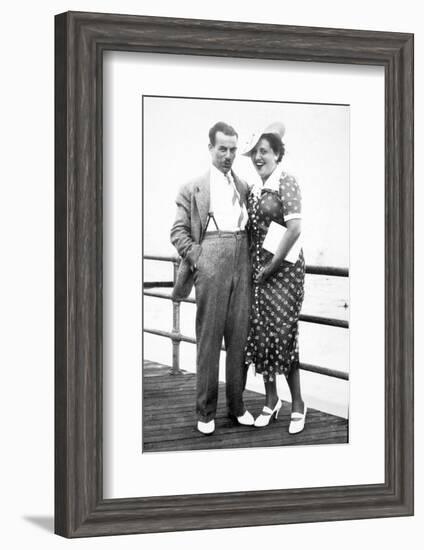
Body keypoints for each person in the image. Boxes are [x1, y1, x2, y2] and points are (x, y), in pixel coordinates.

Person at [170, 121, 254, 435]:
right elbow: (177, 232)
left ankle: (236, 405)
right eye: (223, 149)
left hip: (241, 258)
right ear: (210, 149)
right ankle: (205, 412)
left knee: (239, 339)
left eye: (233, 150)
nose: (228, 155)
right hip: (211, 258)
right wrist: (199, 257)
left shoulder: (243, 187)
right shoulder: (192, 188)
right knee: (209, 340)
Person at [242, 122, 307, 434]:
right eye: (255, 152)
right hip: (260, 271)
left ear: (277, 154)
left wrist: (272, 266)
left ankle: (298, 403)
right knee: (261, 333)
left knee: (283, 334)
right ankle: (271, 400)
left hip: (285, 272)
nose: (258, 157)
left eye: (264, 151)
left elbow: (294, 229)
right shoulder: (255, 189)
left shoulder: (287, 181)